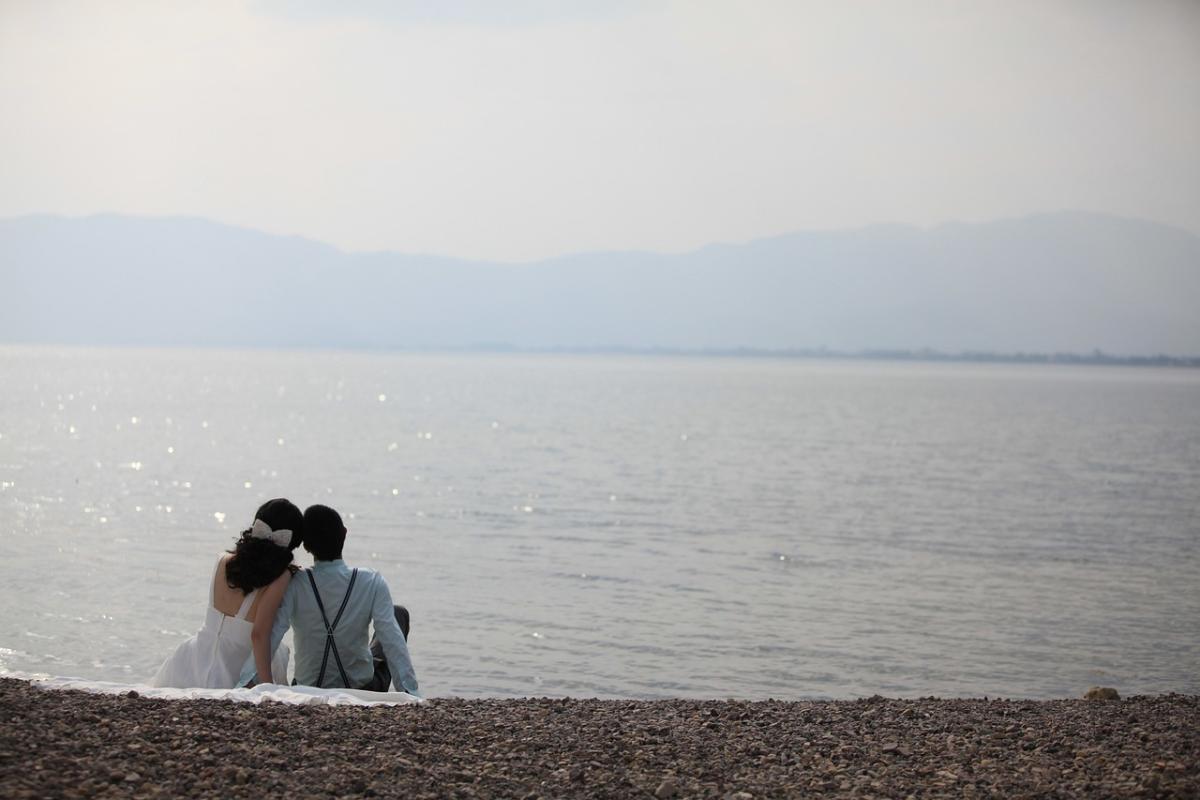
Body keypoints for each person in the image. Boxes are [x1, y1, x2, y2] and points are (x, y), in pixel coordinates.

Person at [238, 504, 418, 695]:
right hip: (362, 688)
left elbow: (272, 635)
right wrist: (411, 694)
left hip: (306, 687)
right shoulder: (371, 581)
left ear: (306, 546)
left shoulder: (295, 583)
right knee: (398, 614)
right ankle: (406, 689)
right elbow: (392, 640)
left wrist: (247, 681)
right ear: (345, 534)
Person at [149, 498, 302, 688]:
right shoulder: (281, 576)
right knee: (278, 650)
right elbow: (259, 635)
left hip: (191, 660)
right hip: (234, 668)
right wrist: (267, 687)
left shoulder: (223, 559)